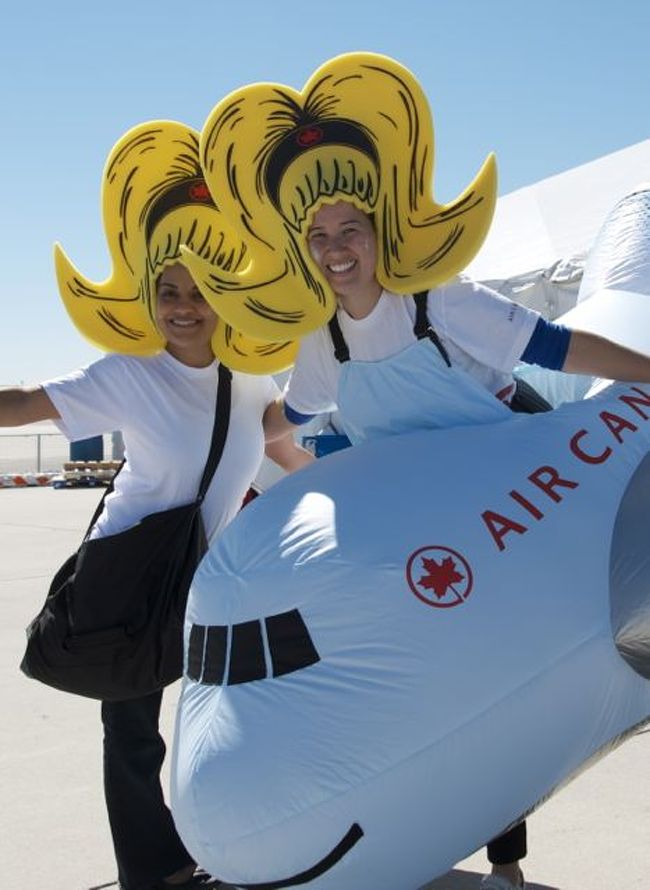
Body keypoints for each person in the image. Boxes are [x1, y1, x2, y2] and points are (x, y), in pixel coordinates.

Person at [185, 53, 650, 890]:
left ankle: (505, 853)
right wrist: (249, 442)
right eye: (319, 237)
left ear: (377, 230)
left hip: (510, 482)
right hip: (424, 512)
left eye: (348, 231)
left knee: (501, 653)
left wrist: (647, 373)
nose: (336, 251)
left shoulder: (439, 300)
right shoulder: (322, 340)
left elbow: (555, 347)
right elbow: (292, 418)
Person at [2, 120, 312, 890]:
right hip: (131, 571)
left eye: (200, 292)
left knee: (243, 711)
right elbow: (29, 403)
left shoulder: (250, 380)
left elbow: (282, 448)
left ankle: (242, 838)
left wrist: (347, 489)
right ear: (152, 297)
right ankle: (156, 870)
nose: (183, 306)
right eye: (169, 292)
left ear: (223, 297)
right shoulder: (130, 373)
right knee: (134, 730)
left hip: (211, 575)